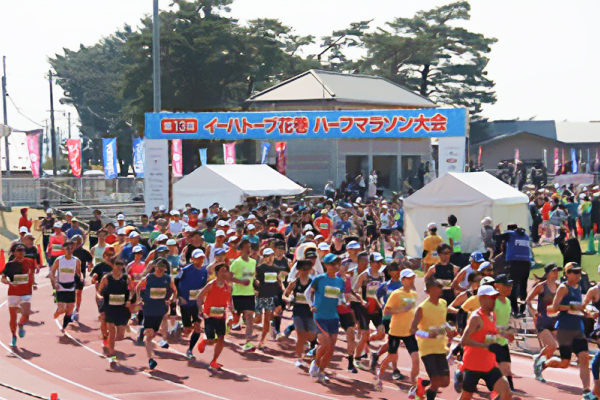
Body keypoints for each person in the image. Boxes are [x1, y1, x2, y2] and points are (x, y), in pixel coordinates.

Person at [534, 262, 595, 400]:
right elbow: (552, 308)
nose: (578, 275)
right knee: (565, 363)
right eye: (575, 272)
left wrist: (586, 313)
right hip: (564, 329)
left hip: (578, 328)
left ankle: (586, 391)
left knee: (584, 357)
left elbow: (578, 307)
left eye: (579, 272)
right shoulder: (563, 288)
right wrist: (570, 307)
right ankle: (543, 364)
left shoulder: (578, 288)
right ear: (567, 274)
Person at [458, 284, 512, 400]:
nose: (494, 300)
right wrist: (485, 346)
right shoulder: (476, 318)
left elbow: (491, 331)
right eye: (491, 297)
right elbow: (464, 340)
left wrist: (505, 334)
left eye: (495, 297)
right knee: (466, 397)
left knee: (506, 392)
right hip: (473, 365)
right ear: (482, 298)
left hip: (489, 365)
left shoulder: (492, 316)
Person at [409, 278, 457, 400]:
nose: (441, 289)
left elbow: (442, 321)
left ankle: (421, 385)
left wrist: (450, 329)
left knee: (444, 382)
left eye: (441, 287)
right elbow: (412, 329)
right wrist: (427, 335)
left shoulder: (443, 303)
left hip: (440, 347)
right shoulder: (422, 308)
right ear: (430, 289)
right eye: (438, 287)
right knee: (435, 380)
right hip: (427, 348)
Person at [375, 268, 419, 395]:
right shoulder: (396, 294)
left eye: (413, 278)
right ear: (403, 280)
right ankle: (379, 376)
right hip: (396, 331)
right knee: (391, 356)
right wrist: (401, 310)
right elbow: (386, 311)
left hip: (409, 332)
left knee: (415, 358)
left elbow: (412, 311)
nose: (411, 281)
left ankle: (414, 386)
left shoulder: (413, 294)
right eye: (409, 278)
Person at [306, 253, 346, 383]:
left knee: (331, 347)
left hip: (333, 316)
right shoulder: (319, 279)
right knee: (326, 343)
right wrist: (311, 305)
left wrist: (343, 301)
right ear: (326, 265)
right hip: (320, 316)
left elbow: (340, 295)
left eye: (337, 264)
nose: (335, 266)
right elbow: (308, 293)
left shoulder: (340, 281)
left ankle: (322, 370)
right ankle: (316, 362)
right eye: (332, 264)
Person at [136, 257, 177, 370]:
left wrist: (171, 299)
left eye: (163, 266)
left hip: (160, 309)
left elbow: (175, 291)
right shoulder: (149, 277)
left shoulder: (168, 279)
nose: (160, 268)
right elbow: (138, 287)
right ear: (154, 266)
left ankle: (156, 336)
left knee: (154, 332)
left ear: (165, 269)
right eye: (159, 266)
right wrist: (139, 298)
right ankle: (151, 359)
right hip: (149, 309)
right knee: (149, 335)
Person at [196, 263, 236, 370]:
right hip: (209, 316)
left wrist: (232, 312)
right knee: (211, 340)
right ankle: (205, 341)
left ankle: (214, 360)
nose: (224, 273)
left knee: (221, 338)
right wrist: (200, 311)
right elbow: (199, 297)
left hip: (221, 316)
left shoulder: (228, 287)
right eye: (222, 271)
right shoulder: (211, 285)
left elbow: (230, 301)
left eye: (226, 271)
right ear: (217, 273)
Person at [527, 263, 560, 382]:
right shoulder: (541, 286)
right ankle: (538, 366)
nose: (556, 273)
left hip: (554, 321)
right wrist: (534, 312)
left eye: (557, 271)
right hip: (542, 321)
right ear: (547, 273)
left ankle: (539, 360)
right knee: (552, 345)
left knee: (558, 346)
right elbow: (528, 300)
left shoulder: (560, 287)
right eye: (554, 271)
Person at [175, 248, 208, 359]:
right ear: (192, 258)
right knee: (187, 330)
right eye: (198, 258)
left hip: (196, 304)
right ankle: (180, 327)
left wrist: (202, 298)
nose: (200, 260)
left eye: (202, 258)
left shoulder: (204, 271)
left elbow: (204, 286)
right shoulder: (186, 270)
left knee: (197, 326)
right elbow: (176, 281)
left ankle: (190, 350)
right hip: (185, 302)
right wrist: (179, 296)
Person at [283, 260, 317, 368]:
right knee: (300, 334)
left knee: (312, 335)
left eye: (308, 269)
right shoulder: (295, 282)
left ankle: (307, 346)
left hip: (309, 311)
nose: (306, 271)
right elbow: (285, 294)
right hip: (298, 310)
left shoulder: (312, 283)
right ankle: (299, 357)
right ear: (299, 270)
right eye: (304, 269)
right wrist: (289, 299)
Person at [97, 259, 131, 365]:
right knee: (112, 331)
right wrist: (100, 300)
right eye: (117, 264)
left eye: (121, 265)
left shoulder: (126, 278)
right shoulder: (106, 278)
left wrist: (130, 300)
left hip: (121, 308)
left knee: (120, 336)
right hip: (109, 307)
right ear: (113, 265)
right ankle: (112, 355)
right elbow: (99, 292)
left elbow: (131, 291)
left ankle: (109, 343)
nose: (119, 267)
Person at [2, 244, 36, 347]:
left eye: (23, 250)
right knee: (13, 317)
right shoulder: (10, 265)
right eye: (19, 250)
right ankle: (13, 336)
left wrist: (33, 283)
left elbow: (32, 274)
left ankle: (21, 324)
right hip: (13, 293)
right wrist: (8, 282)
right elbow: (3, 278)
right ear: (14, 252)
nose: (21, 252)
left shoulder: (30, 262)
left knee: (26, 314)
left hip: (26, 292)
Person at [229, 239, 257, 351]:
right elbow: (229, 277)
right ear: (241, 249)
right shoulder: (236, 262)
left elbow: (253, 276)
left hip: (249, 294)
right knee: (236, 319)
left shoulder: (253, 262)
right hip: (238, 294)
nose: (248, 250)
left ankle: (248, 342)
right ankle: (226, 326)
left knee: (249, 317)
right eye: (246, 248)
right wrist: (241, 282)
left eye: (249, 247)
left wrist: (256, 284)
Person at [254, 247, 284, 350]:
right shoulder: (259, 268)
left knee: (267, 320)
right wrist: (255, 289)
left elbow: (279, 281)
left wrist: (283, 291)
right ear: (264, 257)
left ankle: (261, 342)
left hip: (270, 297)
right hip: (260, 296)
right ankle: (246, 319)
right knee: (257, 320)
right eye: (268, 256)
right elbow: (255, 280)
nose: (270, 258)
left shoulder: (276, 269)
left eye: (272, 255)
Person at [50, 241, 82, 333]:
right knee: (62, 309)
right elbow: (52, 272)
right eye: (67, 248)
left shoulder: (76, 261)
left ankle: (64, 327)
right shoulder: (59, 260)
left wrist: (79, 281)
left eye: (71, 248)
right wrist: (54, 283)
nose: (69, 250)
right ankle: (57, 312)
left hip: (71, 286)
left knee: (70, 309)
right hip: (61, 286)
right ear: (64, 249)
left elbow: (78, 273)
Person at [492, 275, 516, 391]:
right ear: (497, 286)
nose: (509, 288)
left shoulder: (508, 302)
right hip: (489, 341)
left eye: (510, 286)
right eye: (506, 285)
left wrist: (510, 331)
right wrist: (503, 333)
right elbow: (488, 322)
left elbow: (505, 322)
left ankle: (507, 391)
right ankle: (462, 374)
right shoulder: (492, 302)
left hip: (501, 341)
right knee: (482, 369)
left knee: (506, 368)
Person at [72, 235, 94, 322]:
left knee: (78, 293)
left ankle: (77, 309)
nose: (76, 244)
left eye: (78, 242)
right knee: (71, 292)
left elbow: (90, 259)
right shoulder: (71, 251)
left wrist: (90, 265)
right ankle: (71, 308)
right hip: (70, 274)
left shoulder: (84, 252)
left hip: (80, 275)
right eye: (75, 242)